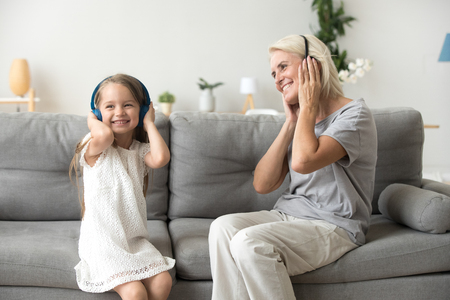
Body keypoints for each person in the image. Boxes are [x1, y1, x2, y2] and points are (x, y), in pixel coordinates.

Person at [208, 34, 377, 300]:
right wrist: (290, 123)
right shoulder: (300, 122)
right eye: (273, 72)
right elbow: (262, 184)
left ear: (314, 65)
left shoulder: (354, 116)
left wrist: (308, 107)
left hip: (335, 225)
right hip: (289, 215)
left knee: (249, 242)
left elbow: (304, 161)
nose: (277, 79)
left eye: (283, 67)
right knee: (222, 227)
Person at [70, 74, 175, 300]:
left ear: (143, 109)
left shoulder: (139, 151)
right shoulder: (93, 146)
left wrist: (148, 123)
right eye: (110, 106)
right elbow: (105, 135)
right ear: (98, 113)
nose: (119, 112)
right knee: (135, 292)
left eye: (128, 105)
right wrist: (92, 121)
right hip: (103, 243)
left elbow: (161, 158)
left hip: (133, 240)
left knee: (163, 282)